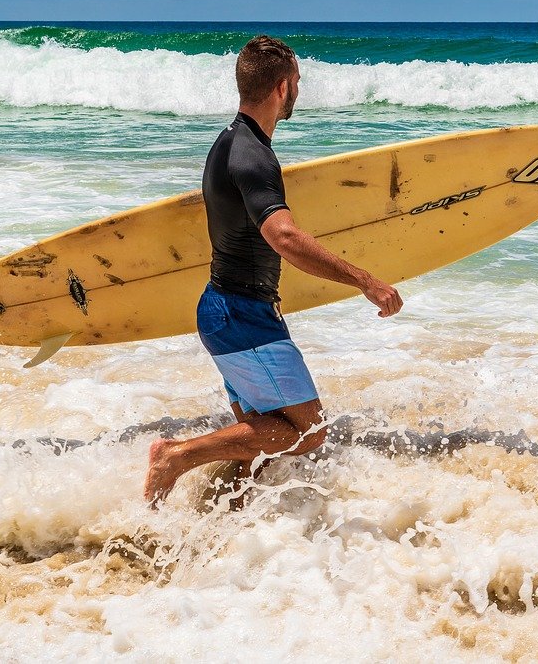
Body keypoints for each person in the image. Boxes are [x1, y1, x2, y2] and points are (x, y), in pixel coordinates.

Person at [144, 35, 403, 505]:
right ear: (282, 89)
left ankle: (213, 531)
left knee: (257, 444)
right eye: (298, 82)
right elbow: (282, 237)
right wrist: (366, 280)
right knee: (307, 433)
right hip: (242, 317)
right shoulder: (253, 155)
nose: (299, 91)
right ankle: (175, 457)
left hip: (226, 310)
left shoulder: (228, 143)